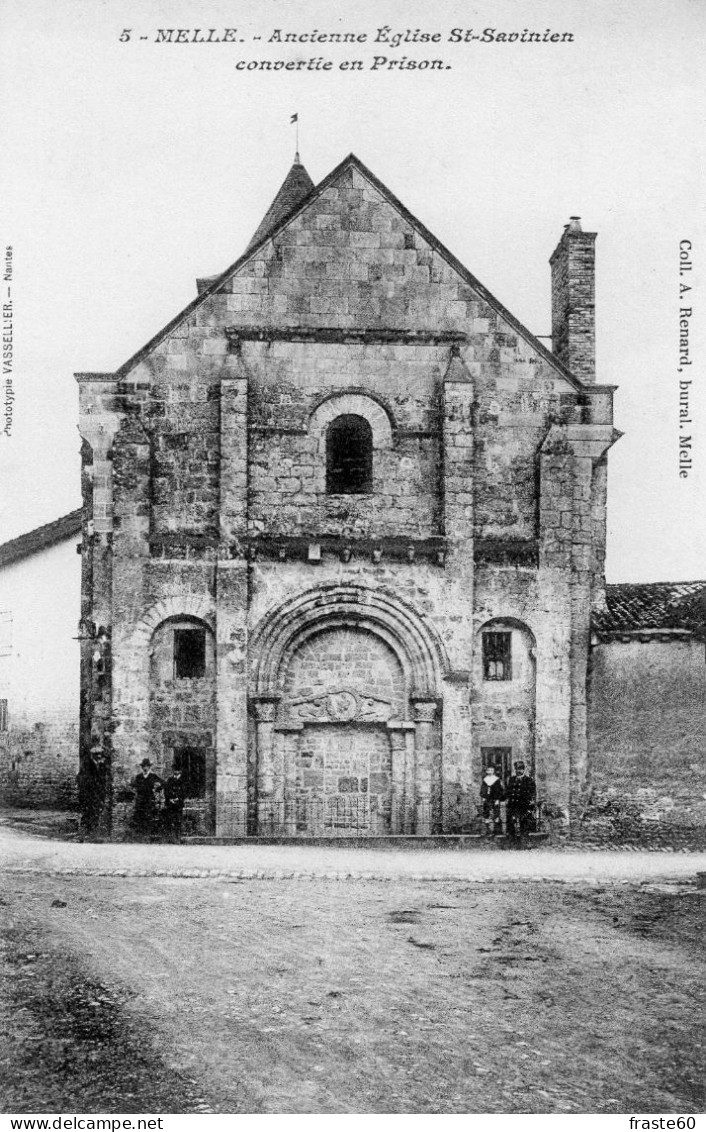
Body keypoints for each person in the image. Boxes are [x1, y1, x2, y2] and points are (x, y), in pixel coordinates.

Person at [77, 744, 108, 840]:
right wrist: (85, 792)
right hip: (88, 795)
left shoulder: (101, 766)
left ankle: (93, 836)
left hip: (97, 795)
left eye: (100, 754)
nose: (99, 756)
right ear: (92, 755)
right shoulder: (86, 765)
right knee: (86, 814)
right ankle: (81, 836)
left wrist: (102, 793)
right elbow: (80, 779)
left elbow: (103, 781)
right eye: (96, 754)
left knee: (96, 814)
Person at [130, 758, 163, 839]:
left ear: (149, 767)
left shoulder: (153, 776)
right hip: (140, 799)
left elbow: (163, 783)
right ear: (142, 767)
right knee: (139, 816)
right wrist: (135, 790)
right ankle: (140, 836)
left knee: (149, 815)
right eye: (144, 766)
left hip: (149, 798)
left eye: (147, 766)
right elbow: (132, 785)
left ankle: (148, 835)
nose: (145, 768)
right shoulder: (139, 776)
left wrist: (158, 788)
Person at [505, 761, 536, 844]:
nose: (519, 771)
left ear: (524, 770)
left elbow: (532, 793)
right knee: (511, 824)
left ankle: (524, 843)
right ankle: (512, 842)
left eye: (521, 769)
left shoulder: (528, 780)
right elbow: (508, 792)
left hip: (523, 806)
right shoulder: (512, 779)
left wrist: (530, 805)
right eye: (517, 769)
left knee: (524, 824)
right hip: (512, 806)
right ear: (515, 770)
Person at [163, 765, 187, 842]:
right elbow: (166, 790)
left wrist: (178, 799)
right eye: (175, 770)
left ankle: (178, 838)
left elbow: (185, 792)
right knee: (170, 820)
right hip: (170, 803)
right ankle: (171, 838)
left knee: (178, 820)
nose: (176, 771)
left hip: (178, 804)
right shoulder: (169, 780)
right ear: (173, 770)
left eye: (178, 770)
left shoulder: (183, 780)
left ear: (180, 771)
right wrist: (170, 799)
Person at [480, 764, 504, 836]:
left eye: (492, 770)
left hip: (494, 799)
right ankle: (488, 830)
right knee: (486, 814)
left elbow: (499, 790)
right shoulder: (485, 780)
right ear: (487, 771)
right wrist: (483, 797)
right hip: (487, 799)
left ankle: (496, 830)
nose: (490, 771)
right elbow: (483, 790)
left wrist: (497, 799)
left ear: (494, 771)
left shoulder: (496, 779)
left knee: (495, 814)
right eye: (489, 770)